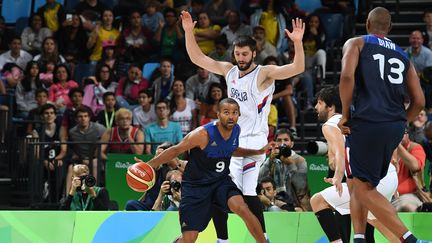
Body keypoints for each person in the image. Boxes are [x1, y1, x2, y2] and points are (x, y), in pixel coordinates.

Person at [181, 10, 305, 241]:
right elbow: (198, 59)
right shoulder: (229, 71)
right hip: (231, 139)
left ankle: (262, 237)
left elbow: (296, 68)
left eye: (244, 54)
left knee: (245, 192)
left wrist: (297, 43)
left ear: (254, 53)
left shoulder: (264, 73)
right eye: (237, 53)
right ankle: (223, 239)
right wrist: (189, 32)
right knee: (220, 189)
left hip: (255, 140)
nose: (240, 58)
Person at [338, 7, 425, 243]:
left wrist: (345, 114)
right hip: (394, 125)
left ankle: (409, 239)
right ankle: (359, 238)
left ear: (367, 23)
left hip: (366, 122)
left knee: (363, 188)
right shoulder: (403, 55)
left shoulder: (356, 43)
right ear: (390, 28)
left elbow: (346, 77)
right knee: (358, 183)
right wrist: (400, 121)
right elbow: (419, 101)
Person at [136, 98, 269, 243]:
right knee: (189, 239)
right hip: (195, 188)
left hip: (220, 182)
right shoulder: (202, 134)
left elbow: (231, 149)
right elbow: (176, 149)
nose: (231, 116)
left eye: (234, 113)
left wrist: (256, 151)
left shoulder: (236, 130)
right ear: (218, 114)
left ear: (239, 115)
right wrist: (150, 164)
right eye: (226, 112)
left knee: (242, 208)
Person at [311, 86, 399, 242]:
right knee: (375, 221)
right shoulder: (356, 119)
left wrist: (337, 175)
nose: (316, 107)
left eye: (319, 103)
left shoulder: (330, 125)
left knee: (318, 201)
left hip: (370, 181)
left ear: (330, 107)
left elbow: (340, 153)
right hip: (388, 175)